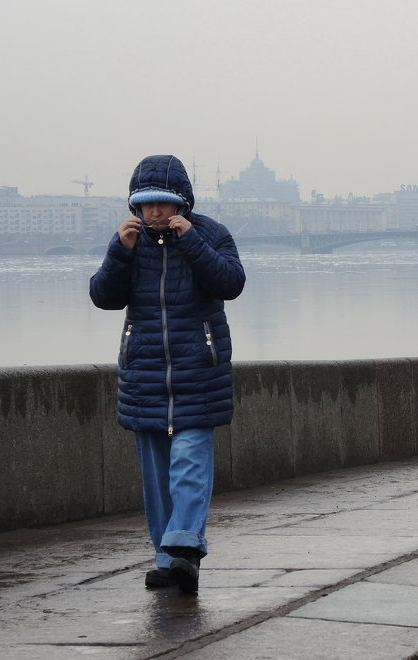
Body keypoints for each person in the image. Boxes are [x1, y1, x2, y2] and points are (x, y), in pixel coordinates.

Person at [90, 154, 246, 594]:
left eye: (164, 203)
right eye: (145, 204)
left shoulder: (211, 234)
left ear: (182, 203)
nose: (155, 212)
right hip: (145, 374)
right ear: (134, 205)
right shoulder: (128, 241)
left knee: (189, 465)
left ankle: (184, 546)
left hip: (199, 370)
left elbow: (231, 283)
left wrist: (192, 242)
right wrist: (118, 255)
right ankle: (168, 559)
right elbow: (103, 297)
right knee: (157, 475)